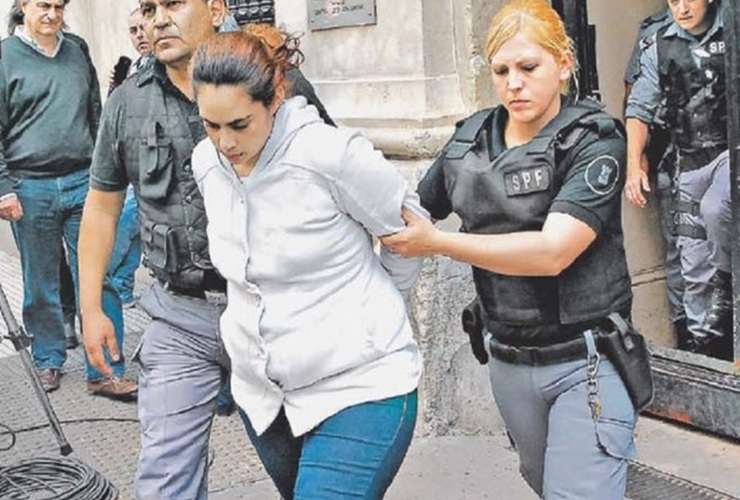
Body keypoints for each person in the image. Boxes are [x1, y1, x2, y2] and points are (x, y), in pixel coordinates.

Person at [78, 1, 335, 497]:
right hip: (182, 318)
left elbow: (336, 182)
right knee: (165, 478)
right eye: (149, 8)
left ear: (216, 8)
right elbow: (102, 207)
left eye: (173, 4)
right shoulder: (128, 102)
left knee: (303, 474)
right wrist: (91, 308)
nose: (158, 19)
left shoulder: (275, 83)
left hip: (276, 316)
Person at [382, 0, 637, 497]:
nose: (513, 83)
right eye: (501, 70)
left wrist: (438, 244)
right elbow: (408, 211)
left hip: (586, 360)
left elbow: (553, 251)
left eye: (528, 67)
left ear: (563, 65)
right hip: (508, 359)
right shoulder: (471, 138)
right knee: (544, 484)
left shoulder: (594, 140)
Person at [189, 26, 424, 499]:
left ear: (274, 97)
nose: (224, 142)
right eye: (211, 126)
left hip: (360, 387)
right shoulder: (206, 163)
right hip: (265, 399)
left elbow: (409, 231)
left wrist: (375, 310)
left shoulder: (328, 154)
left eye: (238, 124)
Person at [0, 0, 137, 399]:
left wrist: (104, 172)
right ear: (23, 5)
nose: (52, 14)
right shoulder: (5, 57)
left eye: (59, 6)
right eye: (43, 4)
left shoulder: (76, 48)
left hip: (83, 181)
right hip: (30, 186)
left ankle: (106, 369)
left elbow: (96, 114)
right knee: (40, 282)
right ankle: (48, 360)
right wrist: (4, 186)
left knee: (99, 277)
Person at [624, 0, 731, 360]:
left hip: (727, 155)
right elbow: (638, 108)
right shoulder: (659, 43)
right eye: (673, 1)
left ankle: (727, 291)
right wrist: (634, 165)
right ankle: (707, 348)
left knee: (717, 211)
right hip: (687, 162)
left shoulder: (731, 28)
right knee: (692, 261)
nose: (682, 8)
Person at [622, 8, 691, 349]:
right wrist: (639, 158)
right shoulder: (655, 32)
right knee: (682, 252)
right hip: (674, 157)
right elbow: (635, 97)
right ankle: (693, 344)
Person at [105, 5, 153, 308]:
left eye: (142, 27)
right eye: (132, 31)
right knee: (129, 227)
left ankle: (116, 285)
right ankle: (116, 287)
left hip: (153, 165)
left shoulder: (167, 65)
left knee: (130, 227)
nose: (139, 35)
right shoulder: (134, 68)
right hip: (130, 163)